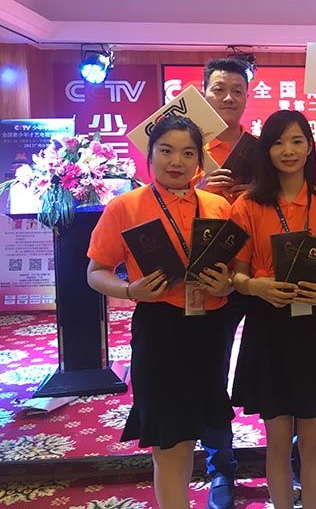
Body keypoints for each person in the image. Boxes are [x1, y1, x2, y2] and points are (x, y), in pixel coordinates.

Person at [87, 116, 234, 508]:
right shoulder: (126, 206)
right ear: (149, 155)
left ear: (199, 160)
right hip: (159, 330)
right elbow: (95, 272)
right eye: (166, 151)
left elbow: (235, 271)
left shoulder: (218, 206)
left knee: (192, 435)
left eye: (188, 153)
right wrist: (128, 290)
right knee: (169, 443)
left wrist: (226, 285)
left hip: (209, 330)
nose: (176, 161)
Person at [228, 110, 316, 509]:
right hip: (268, 325)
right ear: (266, 150)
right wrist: (255, 286)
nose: (288, 150)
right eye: (278, 142)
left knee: (313, 441)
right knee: (277, 441)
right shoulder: (248, 205)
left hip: (313, 323)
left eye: (297, 140)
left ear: (310, 147)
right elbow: (236, 273)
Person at [196, 57, 253, 509]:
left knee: (280, 365)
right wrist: (201, 185)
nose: (228, 97)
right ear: (203, 93)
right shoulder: (188, 148)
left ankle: (297, 461)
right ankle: (221, 466)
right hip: (210, 275)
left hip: (258, 271)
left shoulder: (260, 149)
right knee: (211, 369)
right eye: (219, 89)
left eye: (237, 90)